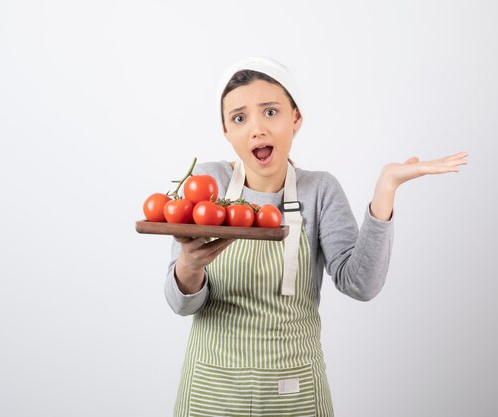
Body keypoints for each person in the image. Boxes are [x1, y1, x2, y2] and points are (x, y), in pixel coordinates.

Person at [164, 56, 468, 417]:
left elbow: (361, 285)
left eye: (271, 112)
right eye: (240, 118)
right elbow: (181, 304)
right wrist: (189, 264)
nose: (257, 129)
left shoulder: (319, 190)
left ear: (296, 118)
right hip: (212, 393)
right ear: (226, 131)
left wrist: (386, 188)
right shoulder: (206, 184)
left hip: (295, 392)